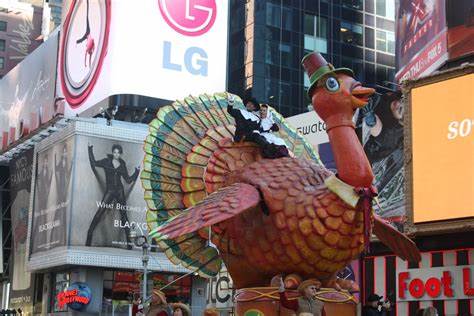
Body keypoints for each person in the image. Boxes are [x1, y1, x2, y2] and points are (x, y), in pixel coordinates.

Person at [86, 144, 140, 248]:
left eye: (118, 153)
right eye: (115, 152)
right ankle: (89, 234)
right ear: (112, 152)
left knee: (124, 216)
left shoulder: (122, 165)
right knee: (100, 212)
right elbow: (94, 163)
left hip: (119, 191)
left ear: (120, 154)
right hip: (110, 190)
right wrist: (90, 149)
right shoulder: (106, 161)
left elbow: (128, 180)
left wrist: (136, 172)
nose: (116, 154)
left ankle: (129, 244)